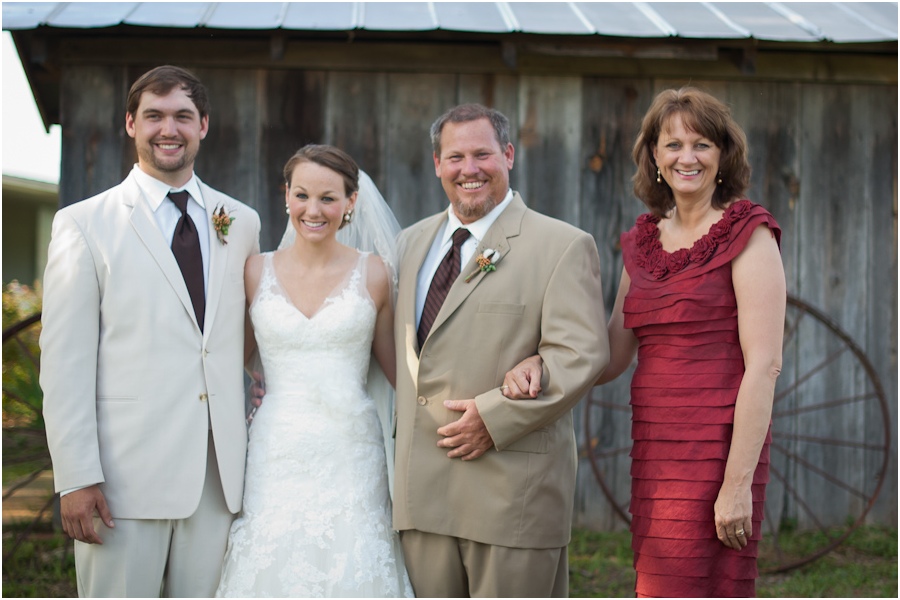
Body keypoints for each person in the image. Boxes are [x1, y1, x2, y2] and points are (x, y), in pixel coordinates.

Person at [40, 65, 261, 597]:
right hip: (122, 480)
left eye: (183, 116)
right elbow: (65, 363)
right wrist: (76, 477)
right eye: (154, 116)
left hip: (218, 478)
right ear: (130, 124)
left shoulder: (242, 221)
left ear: (203, 125)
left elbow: (243, 336)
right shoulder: (84, 223)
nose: (169, 129)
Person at [392, 103, 610, 597]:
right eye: (455, 157)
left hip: (512, 493)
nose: (468, 169)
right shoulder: (410, 243)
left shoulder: (562, 245)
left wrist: (494, 418)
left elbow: (580, 354)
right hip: (421, 496)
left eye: (482, 154)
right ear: (437, 164)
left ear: (508, 155)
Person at [600, 87, 786, 597]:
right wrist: (539, 360)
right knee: (657, 581)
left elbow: (765, 365)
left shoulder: (749, 234)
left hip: (719, 450)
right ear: (654, 156)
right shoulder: (640, 243)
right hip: (656, 450)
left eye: (702, 144)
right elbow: (611, 355)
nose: (687, 157)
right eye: (673, 144)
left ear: (723, 156)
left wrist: (736, 484)